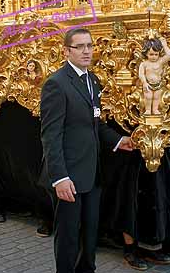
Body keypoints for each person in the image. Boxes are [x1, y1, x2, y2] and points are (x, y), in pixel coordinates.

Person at [39, 27, 134, 273]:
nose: (86, 51)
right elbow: (51, 135)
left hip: (91, 174)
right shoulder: (56, 84)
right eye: (79, 46)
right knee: (69, 236)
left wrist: (118, 140)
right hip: (68, 176)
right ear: (66, 51)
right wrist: (59, 177)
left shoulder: (92, 80)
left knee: (90, 235)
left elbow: (95, 123)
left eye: (89, 45)